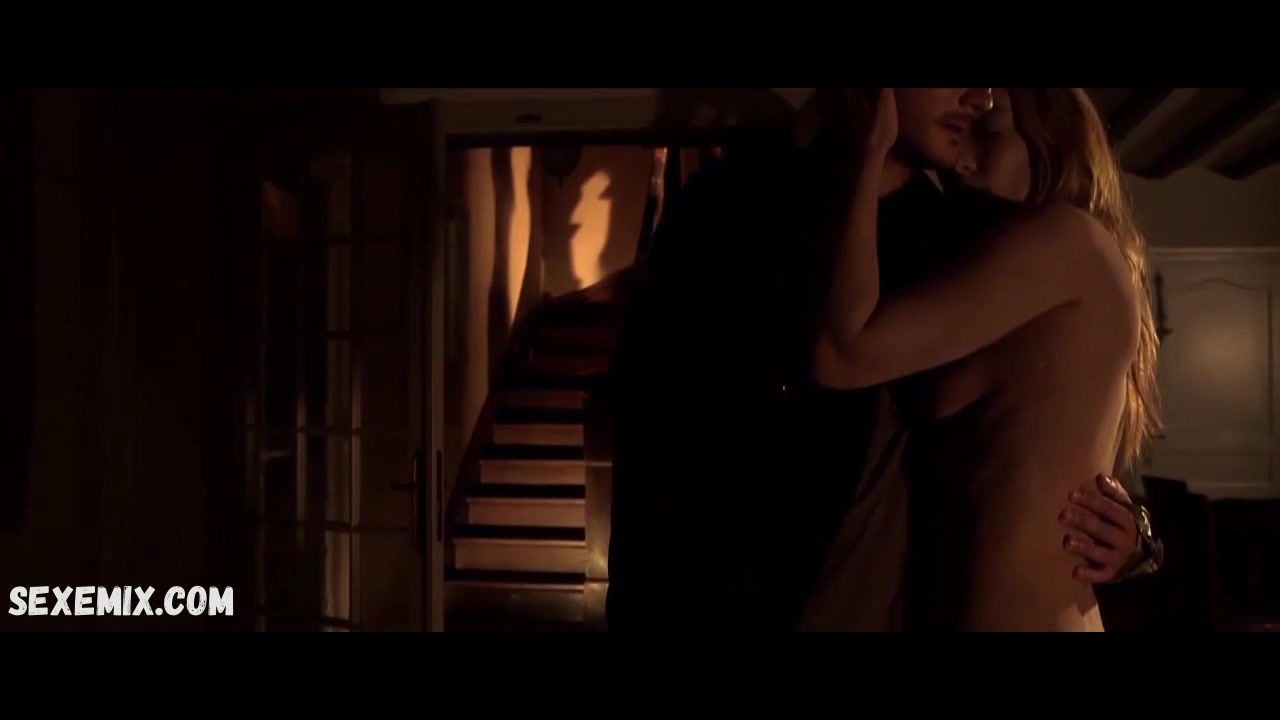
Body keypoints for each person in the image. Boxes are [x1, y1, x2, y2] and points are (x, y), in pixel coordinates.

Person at [606, 88, 1161, 631]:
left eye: (991, 120)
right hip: (734, 597)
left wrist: (1136, 538)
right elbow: (655, 431)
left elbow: (1048, 443)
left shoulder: (954, 240)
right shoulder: (738, 207)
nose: (980, 98)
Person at [809, 88, 1161, 631]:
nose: (962, 159)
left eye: (990, 133)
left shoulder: (1067, 239)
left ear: (1051, 141)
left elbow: (843, 353)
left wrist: (869, 151)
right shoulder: (992, 267)